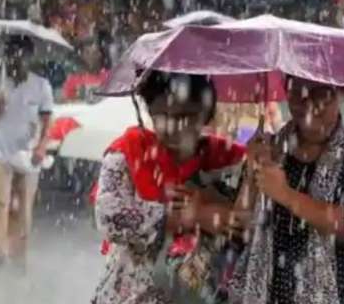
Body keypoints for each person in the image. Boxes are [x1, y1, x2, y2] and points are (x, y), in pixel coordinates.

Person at [228, 77, 344, 304]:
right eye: (297, 91)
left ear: (342, 93)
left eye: (321, 93)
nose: (307, 102)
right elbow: (238, 228)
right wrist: (251, 172)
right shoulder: (270, 149)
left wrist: (285, 194)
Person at [91, 71, 246, 304]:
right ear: (150, 112)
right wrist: (189, 217)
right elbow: (109, 216)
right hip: (133, 294)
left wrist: (223, 207)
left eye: (187, 116)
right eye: (163, 115)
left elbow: (247, 221)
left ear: (206, 115)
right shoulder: (128, 152)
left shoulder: (226, 159)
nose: (174, 127)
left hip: (203, 293)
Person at [0, 35, 53, 271]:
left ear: (29, 58)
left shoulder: (41, 85)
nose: (15, 60)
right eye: (11, 55)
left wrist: (42, 146)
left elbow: (47, 119)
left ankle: (18, 256)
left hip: (27, 152)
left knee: (22, 207)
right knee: (1, 201)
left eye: (21, 55)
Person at [60, 33, 111, 102]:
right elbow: (67, 102)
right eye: (87, 52)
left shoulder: (109, 76)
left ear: (100, 54)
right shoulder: (73, 78)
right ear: (82, 55)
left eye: (94, 52)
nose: (91, 57)